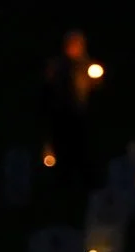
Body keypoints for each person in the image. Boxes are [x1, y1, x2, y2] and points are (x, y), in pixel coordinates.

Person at [41, 29, 100, 206]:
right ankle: (62, 188)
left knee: (81, 149)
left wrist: (94, 80)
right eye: (72, 44)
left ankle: (84, 187)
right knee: (62, 150)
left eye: (78, 45)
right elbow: (49, 89)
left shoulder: (85, 65)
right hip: (60, 115)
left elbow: (92, 89)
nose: (75, 48)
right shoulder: (58, 66)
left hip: (80, 115)